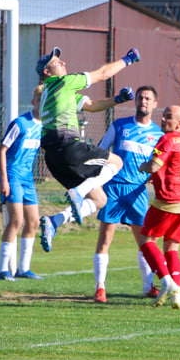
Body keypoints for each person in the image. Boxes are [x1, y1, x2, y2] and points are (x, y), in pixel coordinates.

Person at [35, 46, 140, 246]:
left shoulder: (55, 91)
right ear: (47, 73)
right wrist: (128, 59)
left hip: (53, 159)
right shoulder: (63, 83)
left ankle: (54, 222)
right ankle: (80, 191)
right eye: (56, 62)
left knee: (100, 200)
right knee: (117, 162)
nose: (63, 63)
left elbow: (91, 105)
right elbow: (103, 73)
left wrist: (117, 100)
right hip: (68, 147)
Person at [89, 86, 163, 303]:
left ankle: (148, 285)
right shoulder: (119, 125)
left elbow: (159, 165)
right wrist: (97, 180)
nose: (144, 101)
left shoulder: (158, 134)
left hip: (137, 192)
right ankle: (100, 287)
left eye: (148, 98)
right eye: (141, 97)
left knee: (145, 242)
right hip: (113, 188)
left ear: (155, 104)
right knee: (105, 239)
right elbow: (101, 150)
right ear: (135, 101)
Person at [139, 105, 180, 310]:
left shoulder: (167, 139)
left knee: (146, 240)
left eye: (168, 117)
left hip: (169, 200)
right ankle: (176, 296)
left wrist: (144, 167)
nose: (163, 119)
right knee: (172, 247)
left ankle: (166, 282)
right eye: (163, 115)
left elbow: (154, 165)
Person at [0, 85, 45, 281]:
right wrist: (4, 180)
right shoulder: (20, 124)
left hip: (27, 179)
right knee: (16, 220)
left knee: (33, 222)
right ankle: (1, 270)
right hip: (12, 176)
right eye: (40, 101)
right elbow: (1, 150)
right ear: (34, 102)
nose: (43, 105)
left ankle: (23, 269)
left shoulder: (44, 126)